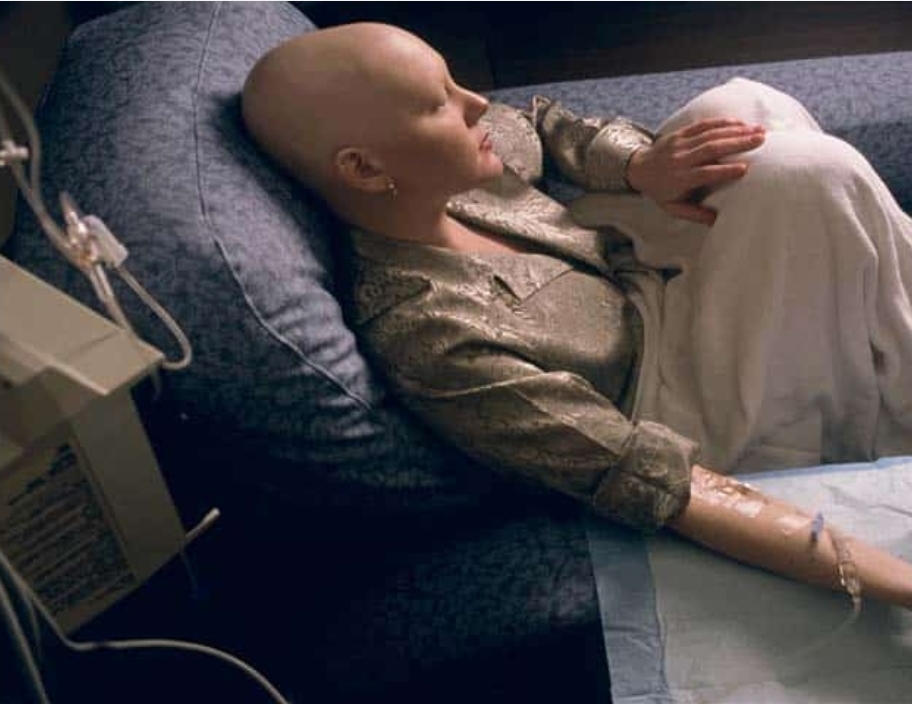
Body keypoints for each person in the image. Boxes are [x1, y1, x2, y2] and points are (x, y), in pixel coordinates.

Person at [240, 23, 912, 610]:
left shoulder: (456, 166)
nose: (477, 102)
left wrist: (641, 164)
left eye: (453, 80)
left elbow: (535, 123)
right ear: (364, 168)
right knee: (804, 172)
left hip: (630, 276)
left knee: (736, 115)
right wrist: (896, 584)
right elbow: (655, 481)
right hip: (665, 398)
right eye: (439, 103)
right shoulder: (432, 333)